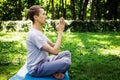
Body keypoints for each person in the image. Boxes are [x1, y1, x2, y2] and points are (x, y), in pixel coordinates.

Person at [26, 5, 71, 79]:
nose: (45, 17)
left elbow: (53, 46)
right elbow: (55, 51)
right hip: (36, 68)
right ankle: (54, 72)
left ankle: (55, 72)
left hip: (45, 61)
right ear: (35, 17)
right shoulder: (34, 34)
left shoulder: (39, 32)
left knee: (67, 53)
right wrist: (60, 32)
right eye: (43, 14)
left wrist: (58, 30)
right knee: (66, 62)